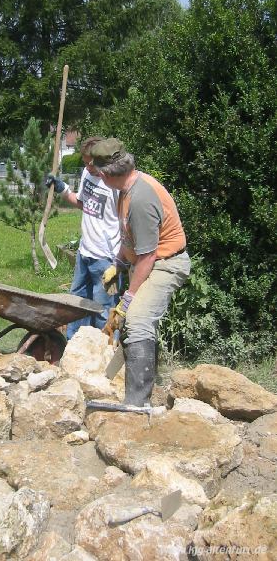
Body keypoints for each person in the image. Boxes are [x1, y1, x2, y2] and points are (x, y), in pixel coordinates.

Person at [91, 138, 191, 408]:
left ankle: (137, 404)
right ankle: (118, 386)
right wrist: (119, 263)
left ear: (105, 173)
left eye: (97, 173)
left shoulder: (140, 198)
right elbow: (130, 238)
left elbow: (147, 256)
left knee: (136, 319)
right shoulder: (124, 189)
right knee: (128, 321)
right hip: (149, 260)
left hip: (166, 264)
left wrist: (128, 298)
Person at [46, 137, 121, 339]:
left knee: (102, 309)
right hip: (84, 253)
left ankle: (106, 353)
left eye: (91, 163)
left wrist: (119, 262)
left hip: (106, 260)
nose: (87, 167)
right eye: (85, 162)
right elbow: (82, 203)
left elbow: (125, 222)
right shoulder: (88, 175)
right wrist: (62, 188)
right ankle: (73, 346)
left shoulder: (114, 184)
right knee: (76, 304)